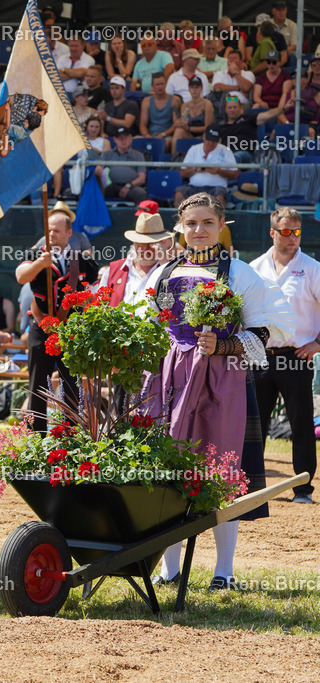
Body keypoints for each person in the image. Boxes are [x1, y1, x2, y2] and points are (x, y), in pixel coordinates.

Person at [145, 193, 293, 590]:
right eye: (191, 223)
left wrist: (224, 346)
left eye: (207, 223)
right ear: (180, 226)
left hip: (222, 379)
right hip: (172, 377)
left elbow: (266, 331)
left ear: (221, 225)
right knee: (171, 468)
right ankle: (169, 570)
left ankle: (223, 571)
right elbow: (146, 323)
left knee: (222, 468)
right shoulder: (163, 272)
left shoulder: (241, 274)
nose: (199, 230)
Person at [250, 208, 319, 505]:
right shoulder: (255, 267)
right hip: (261, 356)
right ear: (273, 232)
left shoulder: (313, 268)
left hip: (296, 356)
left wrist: (318, 343)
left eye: (297, 232)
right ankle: (251, 488)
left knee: (301, 424)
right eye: (286, 231)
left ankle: (303, 489)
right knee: (254, 426)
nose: (293, 238)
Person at [15, 204, 100, 433]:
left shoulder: (80, 259)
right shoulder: (35, 254)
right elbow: (21, 277)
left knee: (71, 384)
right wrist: (39, 264)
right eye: (49, 230)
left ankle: (69, 434)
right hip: (40, 326)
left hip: (70, 329)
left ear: (69, 233)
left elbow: (96, 287)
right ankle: (36, 436)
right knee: (37, 382)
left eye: (57, 231)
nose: (51, 234)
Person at [100, 211, 173, 306]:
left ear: (163, 243)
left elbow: (177, 300)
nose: (146, 249)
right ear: (134, 242)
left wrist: (165, 265)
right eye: (141, 244)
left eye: (152, 244)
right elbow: (100, 304)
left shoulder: (172, 270)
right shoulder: (113, 270)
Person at [174, 125, 238, 207]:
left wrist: (219, 171)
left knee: (220, 196)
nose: (211, 143)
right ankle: (181, 219)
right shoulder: (194, 149)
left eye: (214, 141)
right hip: (194, 186)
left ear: (219, 140)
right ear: (204, 136)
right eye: (209, 140)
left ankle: (219, 219)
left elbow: (235, 174)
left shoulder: (226, 151)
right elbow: (183, 172)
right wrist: (195, 170)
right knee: (179, 193)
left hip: (217, 188)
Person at [96, 127, 148, 203]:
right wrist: (98, 169)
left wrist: (128, 186)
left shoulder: (138, 155)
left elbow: (142, 178)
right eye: (120, 138)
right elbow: (99, 168)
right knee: (96, 192)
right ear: (115, 139)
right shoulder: (107, 154)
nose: (123, 141)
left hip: (131, 186)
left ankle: (140, 214)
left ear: (130, 138)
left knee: (141, 193)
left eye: (125, 138)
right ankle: (98, 214)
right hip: (112, 186)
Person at [173, 77, 213, 146]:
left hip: (203, 136)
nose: (194, 90)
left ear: (201, 89)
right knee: (178, 131)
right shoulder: (185, 106)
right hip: (190, 135)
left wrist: (189, 128)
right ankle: (174, 156)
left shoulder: (207, 104)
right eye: (192, 87)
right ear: (189, 89)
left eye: (197, 87)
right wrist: (178, 123)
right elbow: (183, 125)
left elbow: (207, 127)